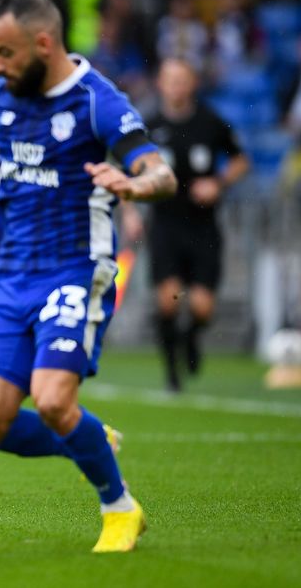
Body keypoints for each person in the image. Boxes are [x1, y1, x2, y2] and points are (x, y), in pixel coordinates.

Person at [0, 0, 177, 553]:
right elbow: (0, 153)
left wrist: (136, 184)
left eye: (4, 53)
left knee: (53, 399)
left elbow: (162, 174)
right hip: (10, 272)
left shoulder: (97, 102)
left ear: (43, 43)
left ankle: (118, 508)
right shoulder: (7, 90)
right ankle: (86, 437)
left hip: (74, 270)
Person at [120, 58, 249, 392]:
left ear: (192, 83)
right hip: (165, 224)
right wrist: (132, 213)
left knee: (203, 308)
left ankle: (191, 338)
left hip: (204, 227)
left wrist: (218, 184)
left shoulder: (211, 122)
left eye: (182, 79)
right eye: (170, 80)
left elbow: (240, 160)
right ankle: (172, 373)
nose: (176, 86)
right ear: (160, 84)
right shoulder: (148, 126)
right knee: (169, 300)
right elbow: (125, 173)